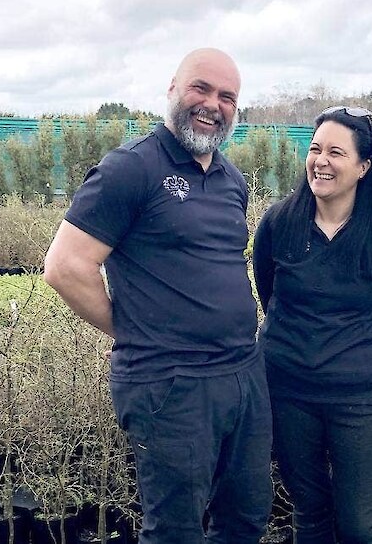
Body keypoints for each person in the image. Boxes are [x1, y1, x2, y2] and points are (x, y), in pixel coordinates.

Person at [43, 48, 272, 544]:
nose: (213, 104)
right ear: (172, 89)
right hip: (172, 383)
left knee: (246, 520)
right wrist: (129, 331)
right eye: (201, 89)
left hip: (241, 375)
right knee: (175, 531)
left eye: (227, 96)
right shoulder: (131, 169)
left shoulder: (231, 180)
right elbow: (65, 266)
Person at [252, 106, 372, 544]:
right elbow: (269, 293)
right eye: (315, 149)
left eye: (336, 152)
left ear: (363, 167)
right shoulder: (279, 223)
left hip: (361, 397)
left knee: (361, 522)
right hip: (288, 391)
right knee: (310, 513)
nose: (321, 160)